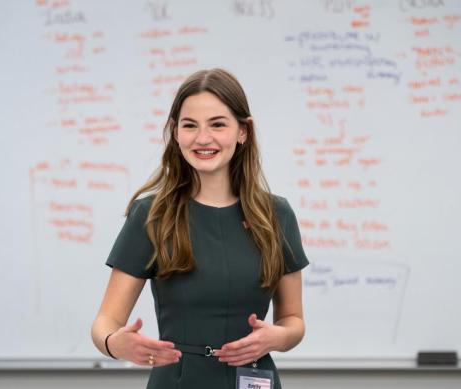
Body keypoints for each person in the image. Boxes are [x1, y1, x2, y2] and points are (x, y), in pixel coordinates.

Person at [91, 68, 309, 389]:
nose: (203, 138)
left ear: (243, 132)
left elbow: (293, 321)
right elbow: (105, 323)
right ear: (175, 132)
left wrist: (278, 338)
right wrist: (113, 343)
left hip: (252, 377)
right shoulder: (151, 215)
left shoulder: (277, 215)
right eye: (190, 125)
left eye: (218, 124)